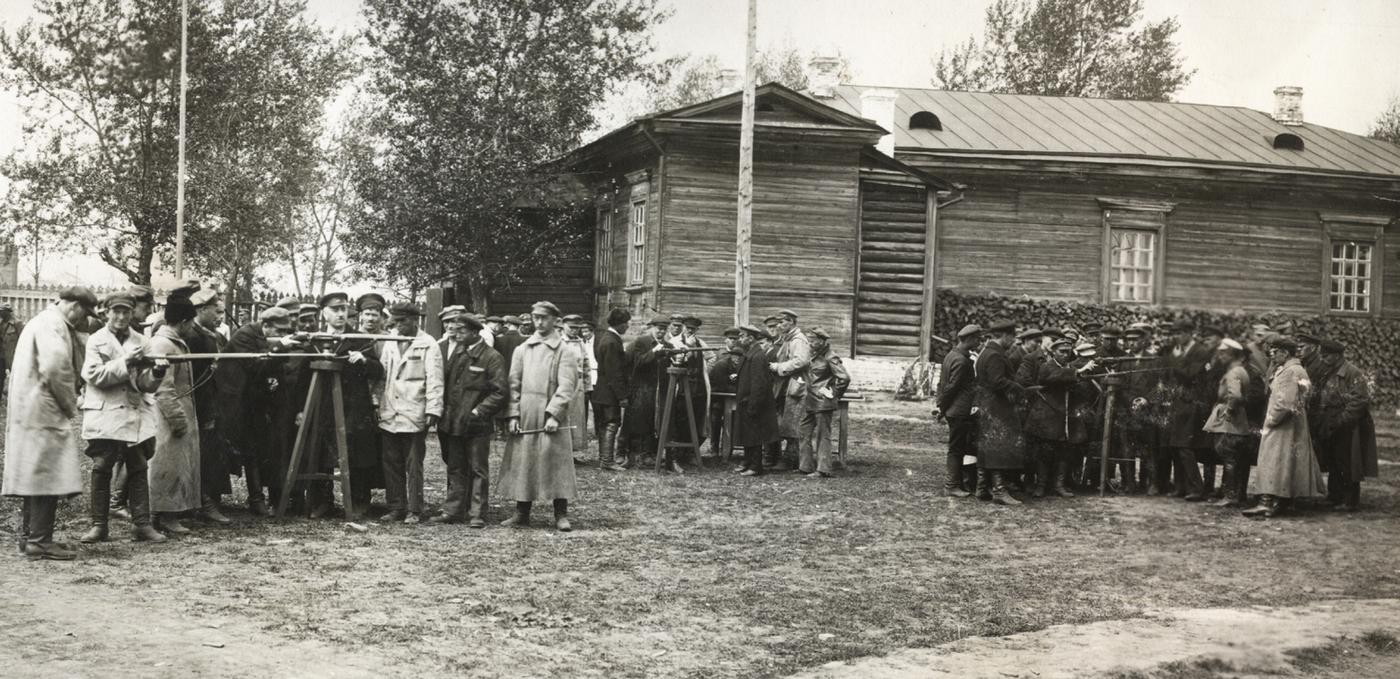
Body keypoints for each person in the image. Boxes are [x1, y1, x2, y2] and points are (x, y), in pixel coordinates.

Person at [4, 286, 97, 560]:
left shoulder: (43, 322)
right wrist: (71, 404)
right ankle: (40, 541)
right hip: (43, 408)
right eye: (85, 313)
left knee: (34, 473)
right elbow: (56, 367)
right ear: (75, 306)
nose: (84, 320)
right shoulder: (51, 324)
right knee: (47, 474)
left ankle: (29, 536)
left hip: (31, 407)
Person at [79, 292, 169, 544]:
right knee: (101, 467)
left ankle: (141, 524)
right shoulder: (95, 340)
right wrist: (125, 361)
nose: (120, 317)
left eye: (126, 312)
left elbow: (144, 384)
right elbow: (95, 376)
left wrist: (157, 373)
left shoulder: (142, 341)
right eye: (115, 311)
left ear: (132, 313)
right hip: (105, 412)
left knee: (138, 466)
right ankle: (99, 525)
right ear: (106, 312)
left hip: (133, 412)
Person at [499, 301, 580, 531]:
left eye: (544, 318)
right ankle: (521, 512)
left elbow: (567, 386)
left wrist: (554, 414)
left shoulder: (565, 351)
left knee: (557, 463)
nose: (539, 322)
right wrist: (513, 415)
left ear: (556, 320)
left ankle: (560, 513)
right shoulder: (522, 349)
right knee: (524, 462)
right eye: (536, 317)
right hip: (526, 413)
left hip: (551, 416)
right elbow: (513, 384)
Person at [217, 306, 297, 515]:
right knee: (248, 449)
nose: (282, 336)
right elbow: (255, 366)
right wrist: (279, 348)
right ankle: (255, 499)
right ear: (265, 326)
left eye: (284, 332)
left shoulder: (264, 336)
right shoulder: (244, 335)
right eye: (279, 331)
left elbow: (273, 367)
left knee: (262, 448)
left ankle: (265, 498)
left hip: (255, 398)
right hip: (235, 400)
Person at [431, 310, 506, 526]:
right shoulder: (458, 353)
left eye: (462, 330)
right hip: (453, 422)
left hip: (476, 424)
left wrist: (479, 411)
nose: (457, 333)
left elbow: (500, 392)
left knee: (477, 469)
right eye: (455, 329)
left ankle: (477, 514)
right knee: (455, 466)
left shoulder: (492, 357)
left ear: (475, 332)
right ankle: (454, 510)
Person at [1243, 336, 1325, 519]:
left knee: (1275, 461)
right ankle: (1281, 501)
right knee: (1285, 463)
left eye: (1274, 352)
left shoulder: (1290, 372)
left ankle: (1267, 503)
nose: (1271, 356)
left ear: (1285, 353)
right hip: (1293, 423)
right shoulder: (1296, 369)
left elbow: (1285, 403)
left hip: (1283, 425)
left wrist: (1271, 420)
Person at [378, 301, 444, 524]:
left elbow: (435, 379)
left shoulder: (428, 344)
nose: (398, 326)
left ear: (415, 320)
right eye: (395, 321)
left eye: (402, 321)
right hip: (390, 410)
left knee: (413, 462)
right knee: (391, 461)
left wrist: (433, 409)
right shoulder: (390, 341)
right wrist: (376, 402)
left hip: (414, 410)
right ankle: (396, 506)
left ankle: (414, 509)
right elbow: (383, 375)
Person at [147, 297, 202, 535]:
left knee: (177, 464)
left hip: (181, 410)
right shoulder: (163, 345)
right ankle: (164, 515)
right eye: (191, 322)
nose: (192, 327)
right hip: (167, 416)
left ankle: (169, 512)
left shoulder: (175, 342)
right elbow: (163, 388)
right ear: (182, 322)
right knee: (166, 464)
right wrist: (178, 420)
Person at [1311, 339, 1377, 512]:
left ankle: (1350, 500)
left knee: (1348, 462)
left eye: (1326, 356)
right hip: (1330, 421)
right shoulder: (1328, 371)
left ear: (1337, 356)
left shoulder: (1353, 373)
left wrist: (1343, 419)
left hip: (1349, 426)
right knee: (1333, 460)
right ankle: (1334, 496)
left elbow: (1360, 400)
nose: (1323, 359)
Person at [187, 290, 232, 525]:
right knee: (202, 455)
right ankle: (204, 502)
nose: (220, 316)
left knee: (213, 454)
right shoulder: (193, 337)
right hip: (201, 404)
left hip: (215, 402)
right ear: (201, 309)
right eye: (216, 311)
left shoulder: (214, 335)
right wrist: (206, 412)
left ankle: (210, 499)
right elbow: (197, 379)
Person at [974, 319, 1026, 506]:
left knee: (987, 446)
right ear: (1005, 336)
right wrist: (1017, 387)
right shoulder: (995, 355)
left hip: (987, 405)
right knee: (1000, 448)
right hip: (998, 407)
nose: (1013, 342)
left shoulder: (985, 352)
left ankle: (981, 487)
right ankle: (998, 490)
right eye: (1012, 337)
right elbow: (997, 381)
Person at [1202, 339, 1254, 508]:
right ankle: (1236, 495)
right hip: (1240, 421)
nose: (1221, 356)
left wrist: (1229, 411)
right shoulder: (1241, 370)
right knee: (1234, 459)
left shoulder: (1233, 373)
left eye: (1224, 353)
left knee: (1229, 458)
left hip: (1229, 422)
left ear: (1232, 354)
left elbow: (1236, 396)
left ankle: (1230, 496)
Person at [934, 324, 980, 498]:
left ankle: (956, 483)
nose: (978, 342)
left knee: (958, 447)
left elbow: (942, 385)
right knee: (956, 449)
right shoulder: (961, 361)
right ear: (969, 339)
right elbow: (951, 388)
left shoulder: (952, 355)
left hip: (954, 409)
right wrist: (942, 408)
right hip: (959, 410)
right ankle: (951, 485)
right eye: (976, 339)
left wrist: (941, 406)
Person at [798, 327, 850, 479]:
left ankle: (823, 469)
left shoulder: (830, 357)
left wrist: (833, 394)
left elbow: (844, 378)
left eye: (813, 341)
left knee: (822, 435)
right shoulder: (812, 355)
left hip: (822, 403)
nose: (810, 344)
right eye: (809, 341)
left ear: (821, 341)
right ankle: (805, 466)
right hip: (809, 400)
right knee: (803, 432)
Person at [767, 309, 811, 471]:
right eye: (778, 322)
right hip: (787, 385)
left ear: (791, 322)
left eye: (782, 322)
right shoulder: (788, 339)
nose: (779, 325)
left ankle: (791, 459)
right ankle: (784, 457)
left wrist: (779, 367)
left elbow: (801, 361)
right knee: (785, 420)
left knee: (794, 422)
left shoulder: (798, 340)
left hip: (797, 385)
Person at [622, 316, 668, 469]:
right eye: (659, 328)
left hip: (657, 389)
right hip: (640, 388)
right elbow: (638, 362)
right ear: (652, 328)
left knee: (653, 421)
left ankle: (648, 454)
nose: (661, 331)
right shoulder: (642, 342)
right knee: (635, 420)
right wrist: (654, 351)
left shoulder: (667, 344)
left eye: (664, 329)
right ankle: (628, 454)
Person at [734, 325, 778, 476]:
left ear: (750, 338)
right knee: (747, 434)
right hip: (746, 400)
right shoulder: (749, 353)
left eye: (742, 336)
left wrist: (754, 404)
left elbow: (759, 384)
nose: (740, 339)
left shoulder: (758, 356)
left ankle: (755, 466)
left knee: (754, 435)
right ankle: (747, 462)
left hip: (753, 402)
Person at [591, 307, 631, 472]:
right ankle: (607, 461)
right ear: (619, 324)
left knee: (603, 425)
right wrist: (622, 396)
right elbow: (614, 372)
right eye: (626, 323)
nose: (627, 327)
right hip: (609, 392)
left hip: (600, 390)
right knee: (611, 424)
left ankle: (604, 459)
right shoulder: (613, 341)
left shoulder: (603, 337)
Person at [708, 327, 745, 459]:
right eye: (731, 339)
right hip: (718, 395)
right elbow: (712, 374)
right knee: (715, 419)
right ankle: (714, 447)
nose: (733, 341)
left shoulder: (742, 354)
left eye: (736, 339)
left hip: (733, 396)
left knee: (733, 420)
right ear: (725, 340)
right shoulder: (718, 354)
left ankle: (727, 447)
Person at [561, 314, 594, 464]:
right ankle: (560, 454)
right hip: (562, 386)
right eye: (571, 327)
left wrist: (587, 386)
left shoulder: (580, 342)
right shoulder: (558, 342)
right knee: (562, 419)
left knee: (576, 420)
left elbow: (586, 365)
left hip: (578, 387)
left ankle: (571, 454)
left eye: (577, 328)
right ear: (563, 326)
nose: (574, 331)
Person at [0, 302, 24, 386]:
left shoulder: (17, 323)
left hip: (13, 357)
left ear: (7, 312)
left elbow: (23, 340)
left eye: (1, 311)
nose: (0, 313)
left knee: (16, 380)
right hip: (1, 356)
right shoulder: (1, 323)